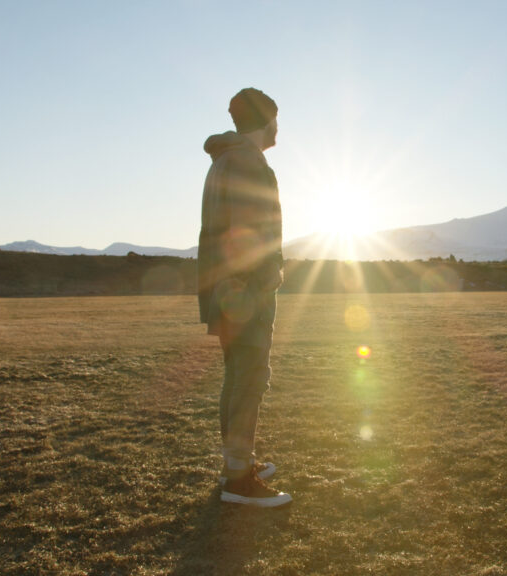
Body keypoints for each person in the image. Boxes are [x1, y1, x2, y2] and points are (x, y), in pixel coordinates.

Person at [198, 88, 291, 507]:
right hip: (245, 295)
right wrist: (263, 281)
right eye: (277, 119)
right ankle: (238, 480)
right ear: (266, 119)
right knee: (250, 380)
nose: (279, 128)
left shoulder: (223, 161)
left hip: (225, 290)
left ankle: (235, 465)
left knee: (237, 379)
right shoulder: (249, 164)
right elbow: (248, 235)